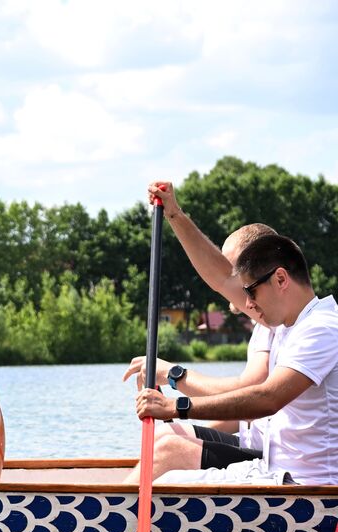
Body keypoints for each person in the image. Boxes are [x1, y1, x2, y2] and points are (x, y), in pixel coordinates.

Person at [135, 233, 338, 484]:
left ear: (281, 279)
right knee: (165, 450)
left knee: (167, 462)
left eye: (251, 292)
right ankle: (117, 514)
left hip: (307, 490)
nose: (248, 304)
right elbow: (220, 279)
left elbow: (267, 398)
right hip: (273, 470)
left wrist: (176, 407)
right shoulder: (289, 326)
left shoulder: (322, 328)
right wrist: (174, 213)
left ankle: (109, 516)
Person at [122, 182, 276, 483]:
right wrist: (176, 419)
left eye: (233, 271)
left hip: (281, 462)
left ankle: (108, 519)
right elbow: (239, 414)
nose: (227, 284)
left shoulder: (278, 320)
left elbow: (248, 391)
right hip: (260, 442)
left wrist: (175, 376)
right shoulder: (262, 324)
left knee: (169, 447)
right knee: (168, 435)